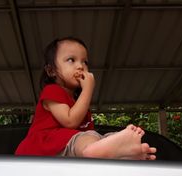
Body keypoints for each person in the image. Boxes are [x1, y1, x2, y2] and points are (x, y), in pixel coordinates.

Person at [15, 37, 156, 160]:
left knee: (101, 137)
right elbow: (70, 121)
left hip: (71, 147)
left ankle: (125, 151)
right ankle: (112, 151)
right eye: (71, 60)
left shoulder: (78, 101)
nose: (80, 66)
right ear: (51, 71)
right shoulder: (52, 91)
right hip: (44, 147)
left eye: (85, 62)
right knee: (88, 138)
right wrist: (88, 89)